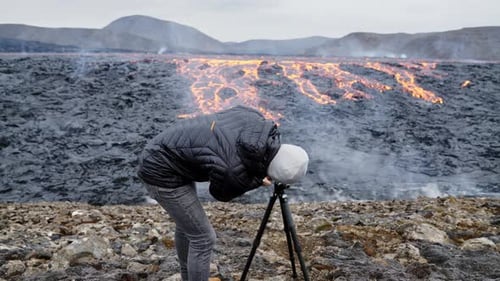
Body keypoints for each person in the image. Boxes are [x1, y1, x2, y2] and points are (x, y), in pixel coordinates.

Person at [137, 105, 309, 281]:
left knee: (188, 226)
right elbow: (220, 194)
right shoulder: (232, 170)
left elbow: (238, 111)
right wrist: (256, 180)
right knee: (203, 238)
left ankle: (188, 275)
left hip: (171, 147)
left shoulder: (258, 121)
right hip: (159, 170)